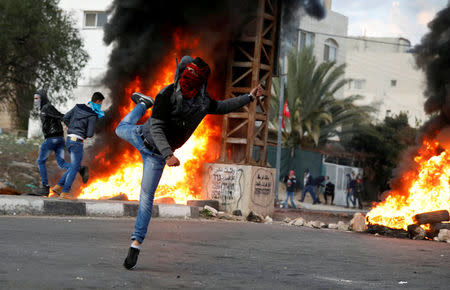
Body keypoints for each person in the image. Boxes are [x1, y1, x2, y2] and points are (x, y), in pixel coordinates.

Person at [117, 56, 264, 270]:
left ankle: (135, 245)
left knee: (146, 200)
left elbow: (223, 106)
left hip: (156, 157)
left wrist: (249, 97)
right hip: (142, 136)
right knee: (120, 128)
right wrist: (169, 154)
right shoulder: (166, 94)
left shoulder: (203, 103)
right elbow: (156, 128)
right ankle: (142, 104)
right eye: (186, 76)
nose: (187, 83)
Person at [34, 89, 88, 196]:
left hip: (52, 139)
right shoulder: (45, 108)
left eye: (37, 98)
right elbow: (60, 117)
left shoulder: (47, 107)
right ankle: (79, 168)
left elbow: (61, 116)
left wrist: (72, 126)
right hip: (58, 139)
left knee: (40, 161)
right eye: (34, 98)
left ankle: (45, 186)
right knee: (62, 163)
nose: (35, 101)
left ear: (42, 98)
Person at [52, 92, 105, 199]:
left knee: (74, 166)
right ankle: (65, 192)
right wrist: (82, 133)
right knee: (75, 167)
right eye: (101, 103)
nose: (101, 105)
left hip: (69, 139)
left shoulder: (78, 107)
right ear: (98, 101)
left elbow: (65, 117)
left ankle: (58, 187)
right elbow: (90, 134)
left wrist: (71, 128)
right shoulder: (92, 115)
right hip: (77, 142)